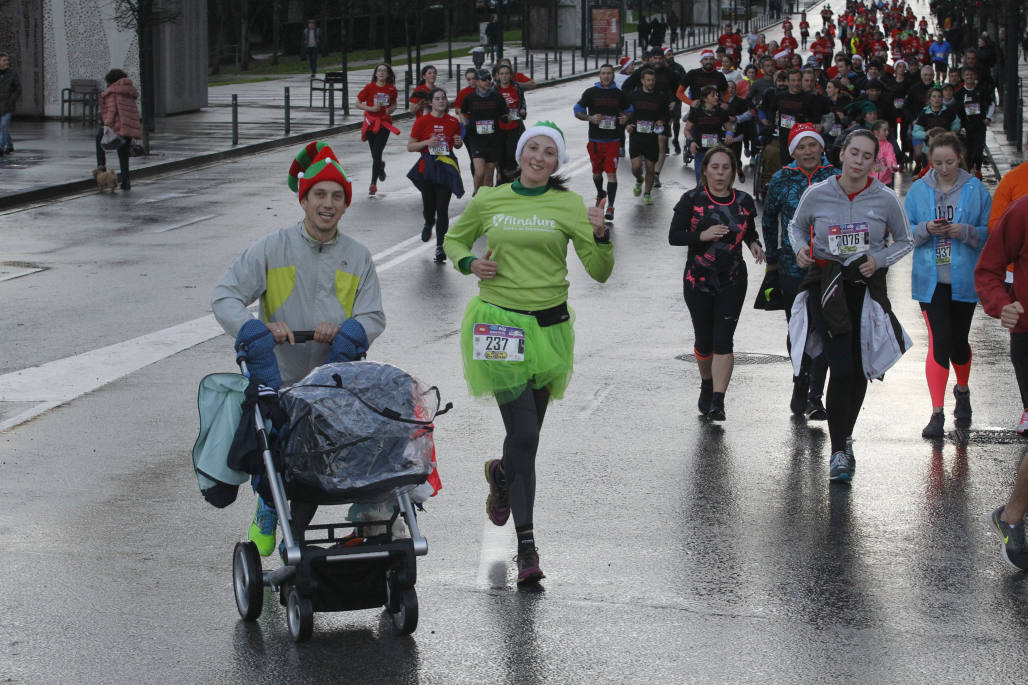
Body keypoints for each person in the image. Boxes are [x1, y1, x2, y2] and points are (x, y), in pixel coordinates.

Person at [442, 121, 614, 586]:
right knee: (527, 437)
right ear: (520, 154)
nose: (540, 157)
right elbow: (454, 239)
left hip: (551, 326)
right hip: (499, 323)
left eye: (550, 152)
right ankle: (527, 547)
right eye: (533, 148)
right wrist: (468, 262)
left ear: (558, 162)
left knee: (524, 437)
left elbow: (599, 272)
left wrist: (600, 235)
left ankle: (501, 476)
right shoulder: (489, 199)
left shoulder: (569, 205)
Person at [211, 141, 386, 557]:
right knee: (283, 458)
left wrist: (347, 332)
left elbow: (374, 315)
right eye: (319, 194)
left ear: (346, 205)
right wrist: (256, 329)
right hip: (281, 383)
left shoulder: (357, 256)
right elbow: (225, 297)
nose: (328, 204)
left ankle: (296, 545)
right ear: (303, 199)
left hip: (334, 384)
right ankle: (269, 506)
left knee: (318, 468)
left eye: (337, 196)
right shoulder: (273, 248)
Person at [789, 129, 913, 482]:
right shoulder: (818, 193)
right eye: (853, 153)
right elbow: (796, 228)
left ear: (876, 162)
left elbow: (905, 241)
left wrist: (878, 258)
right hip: (827, 286)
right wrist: (800, 249)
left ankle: (844, 440)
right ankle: (839, 449)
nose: (859, 162)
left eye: (867, 156)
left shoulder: (885, 198)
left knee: (858, 371)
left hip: (864, 288)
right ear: (842, 154)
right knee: (840, 367)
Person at [905, 132, 990, 438]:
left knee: (958, 342)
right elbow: (905, 234)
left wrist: (964, 231)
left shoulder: (976, 189)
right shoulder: (918, 191)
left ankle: (963, 391)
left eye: (950, 162)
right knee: (939, 341)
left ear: (960, 158)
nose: (943, 168)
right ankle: (936, 413)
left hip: (964, 280)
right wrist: (927, 228)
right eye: (937, 162)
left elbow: (989, 232)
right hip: (930, 282)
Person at [670, 145, 763, 420]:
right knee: (704, 340)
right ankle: (707, 384)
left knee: (724, 340)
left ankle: (718, 401)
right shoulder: (692, 199)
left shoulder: (744, 201)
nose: (720, 173)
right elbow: (674, 236)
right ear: (705, 170)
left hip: (733, 280)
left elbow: (749, 231)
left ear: (733, 171)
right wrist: (703, 234)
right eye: (715, 167)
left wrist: (754, 244)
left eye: (726, 168)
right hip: (697, 281)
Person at [762, 124, 837, 420]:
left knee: (824, 328)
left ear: (821, 148)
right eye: (801, 147)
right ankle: (799, 380)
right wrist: (772, 259)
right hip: (792, 267)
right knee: (799, 329)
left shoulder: (833, 177)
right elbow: (769, 220)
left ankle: (815, 395)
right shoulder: (782, 179)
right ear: (793, 151)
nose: (808, 152)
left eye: (812, 146)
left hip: (828, 267)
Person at [407, 88, 465, 263]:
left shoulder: (453, 121)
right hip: (428, 168)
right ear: (431, 102)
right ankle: (428, 221)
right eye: (437, 98)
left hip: (445, 167)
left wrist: (459, 142)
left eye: (444, 98)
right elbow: (410, 146)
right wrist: (427, 142)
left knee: (443, 209)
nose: (441, 101)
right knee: (429, 206)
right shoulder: (423, 121)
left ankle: (440, 246)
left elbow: (457, 144)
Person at [574, 63, 631, 223]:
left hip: (613, 141)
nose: (606, 76)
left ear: (613, 75)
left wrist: (626, 118)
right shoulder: (591, 93)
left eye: (609, 73)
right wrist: (590, 118)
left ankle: (611, 206)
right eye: (603, 73)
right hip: (595, 141)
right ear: (599, 75)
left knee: (611, 174)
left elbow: (630, 110)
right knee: (597, 174)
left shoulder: (619, 94)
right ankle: (600, 192)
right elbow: (577, 110)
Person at [460, 68, 509, 195]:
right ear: (476, 82)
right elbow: (462, 111)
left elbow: (505, 114)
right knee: (480, 171)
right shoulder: (470, 98)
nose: (488, 81)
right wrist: (466, 124)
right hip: (477, 139)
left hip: (493, 139)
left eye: (489, 78)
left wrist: (506, 118)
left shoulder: (497, 97)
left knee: (489, 174)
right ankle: (476, 193)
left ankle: (486, 198)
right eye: (484, 79)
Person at [625, 67, 668, 205]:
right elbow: (626, 113)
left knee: (650, 168)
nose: (651, 83)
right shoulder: (634, 96)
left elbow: (665, 113)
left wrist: (662, 121)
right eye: (648, 80)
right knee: (636, 167)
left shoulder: (660, 97)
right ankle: (639, 179)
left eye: (653, 80)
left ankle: (647, 194)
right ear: (642, 81)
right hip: (636, 136)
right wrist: (627, 125)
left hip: (651, 137)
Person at [355, 64, 399, 197]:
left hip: (384, 124)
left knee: (376, 151)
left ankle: (373, 184)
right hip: (370, 124)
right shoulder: (369, 88)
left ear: (388, 74)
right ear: (375, 74)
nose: (381, 73)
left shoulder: (391, 89)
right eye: (379, 71)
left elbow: (394, 104)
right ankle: (380, 165)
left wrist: (390, 109)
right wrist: (370, 108)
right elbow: (357, 103)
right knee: (375, 155)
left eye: (384, 71)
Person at [96, 68, 141, 192]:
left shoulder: (113, 92)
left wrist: (106, 125)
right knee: (123, 155)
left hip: (116, 127)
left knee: (99, 141)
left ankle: (101, 173)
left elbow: (112, 110)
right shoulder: (129, 91)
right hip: (127, 128)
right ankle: (125, 181)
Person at [684, 85, 731, 187]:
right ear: (705, 98)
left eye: (717, 95)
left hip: (716, 150)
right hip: (700, 149)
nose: (716, 97)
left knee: (714, 180)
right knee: (700, 180)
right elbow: (687, 130)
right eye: (713, 95)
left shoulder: (721, 112)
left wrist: (729, 135)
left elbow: (729, 127)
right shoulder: (696, 112)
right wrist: (691, 141)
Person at [955, 65, 993, 179]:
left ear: (975, 76)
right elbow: (956, 111)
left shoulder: (981, 90)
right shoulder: (959, 93)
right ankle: (967, 173)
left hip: (979, 126)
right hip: (966, 127)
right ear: (963, 77)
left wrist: (988, 117)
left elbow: (991, 104)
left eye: (971, 74)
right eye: (967, 75)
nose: (969, 77)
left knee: (978, 149)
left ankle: (978, 170)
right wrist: (960, 126)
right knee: (968, 151)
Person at [493, 63, 527, 183]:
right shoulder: (494, 89)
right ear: (497, 76)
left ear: (511, 75)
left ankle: (511, 179)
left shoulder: (516, 88)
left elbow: (522, 103)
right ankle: (501, 179)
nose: (504, 76)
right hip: (500, 128)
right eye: (501, 74)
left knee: (511, 154)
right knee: (500, 156)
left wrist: (523, 110)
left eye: (507, 73)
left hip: (514, 127)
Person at [0, 51, 20, 156]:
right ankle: (10, 145)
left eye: (7, 60)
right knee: (3, 127)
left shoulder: (12, 73)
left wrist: (12, 99)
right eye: (4, 60)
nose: (6, 62)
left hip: (7, 105)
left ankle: (1, 147)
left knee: (3, 125)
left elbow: (18, 88)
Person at [870, 119, 900, 187]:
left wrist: (893, 166)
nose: (887, 133)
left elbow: (890, 157)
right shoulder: (868, 144)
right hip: (869, 181)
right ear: (876, 132)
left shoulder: (888, 145)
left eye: (888, 130)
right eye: (884, 130)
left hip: (885, 182)